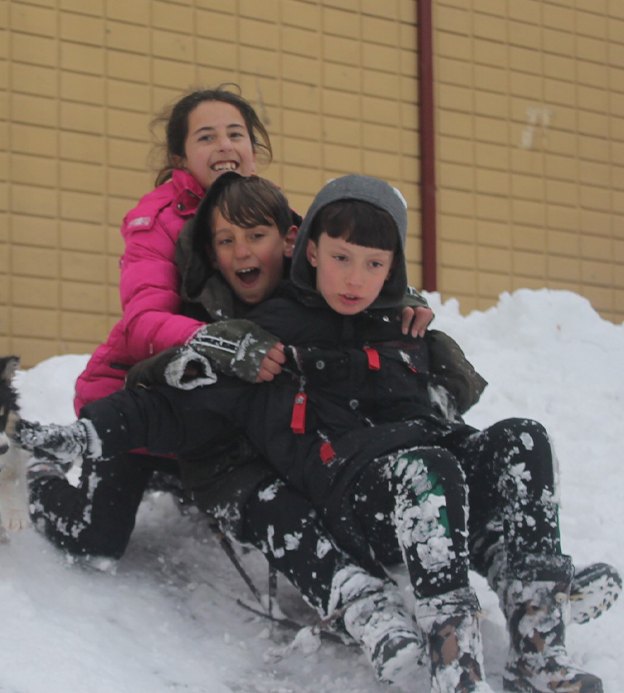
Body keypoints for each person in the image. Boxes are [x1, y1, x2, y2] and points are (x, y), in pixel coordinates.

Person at [17, 174, 610, 693]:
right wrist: (88, 433)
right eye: (342, 258)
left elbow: (444, 409)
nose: (356, 278)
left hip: (429, 471)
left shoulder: (399, 326)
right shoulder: (271, 334)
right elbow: (177, 404)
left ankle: (538, 637)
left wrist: (431, 351)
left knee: (523, 439)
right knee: (430, 470)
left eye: (375, 265)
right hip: (356, 494)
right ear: (311, 252)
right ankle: (456, 669)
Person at [27, 85, 436, 685]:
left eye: (236, 133)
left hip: (231, 399)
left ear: (254, 147)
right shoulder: (157, 221)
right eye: (206, 135)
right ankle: (39, 476)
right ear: (180, 157)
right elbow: (142, 323)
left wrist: (403, 300)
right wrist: (217, 341)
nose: (224, 145)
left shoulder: (273, 213)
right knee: (96, 541)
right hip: (144, 396)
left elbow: (345, 261)